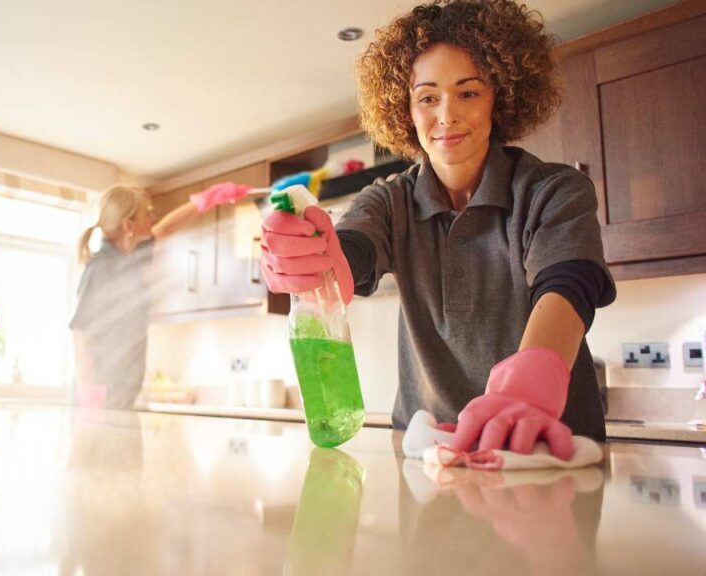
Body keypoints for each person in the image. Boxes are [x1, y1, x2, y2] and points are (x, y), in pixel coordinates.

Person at [261, 0, 616, 459]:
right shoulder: (388, 200)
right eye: (427, 97)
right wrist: (314, 258)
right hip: (430, 451)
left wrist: (532, 379)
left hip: (546, 444)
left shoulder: (554, 189)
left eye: (468, 93)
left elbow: (568, 286)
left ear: (500, 98)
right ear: (405, 108)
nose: (446, 115)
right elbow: (351, 252)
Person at [70, 182, 250, 410]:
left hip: (121, 398)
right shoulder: (102, 268)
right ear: (129, 225)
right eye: (147, 213)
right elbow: (82, 335)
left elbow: (164, 229)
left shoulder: (130, 258)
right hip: (98, 401)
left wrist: (205, 200)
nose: (153, 219)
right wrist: (90, 402)